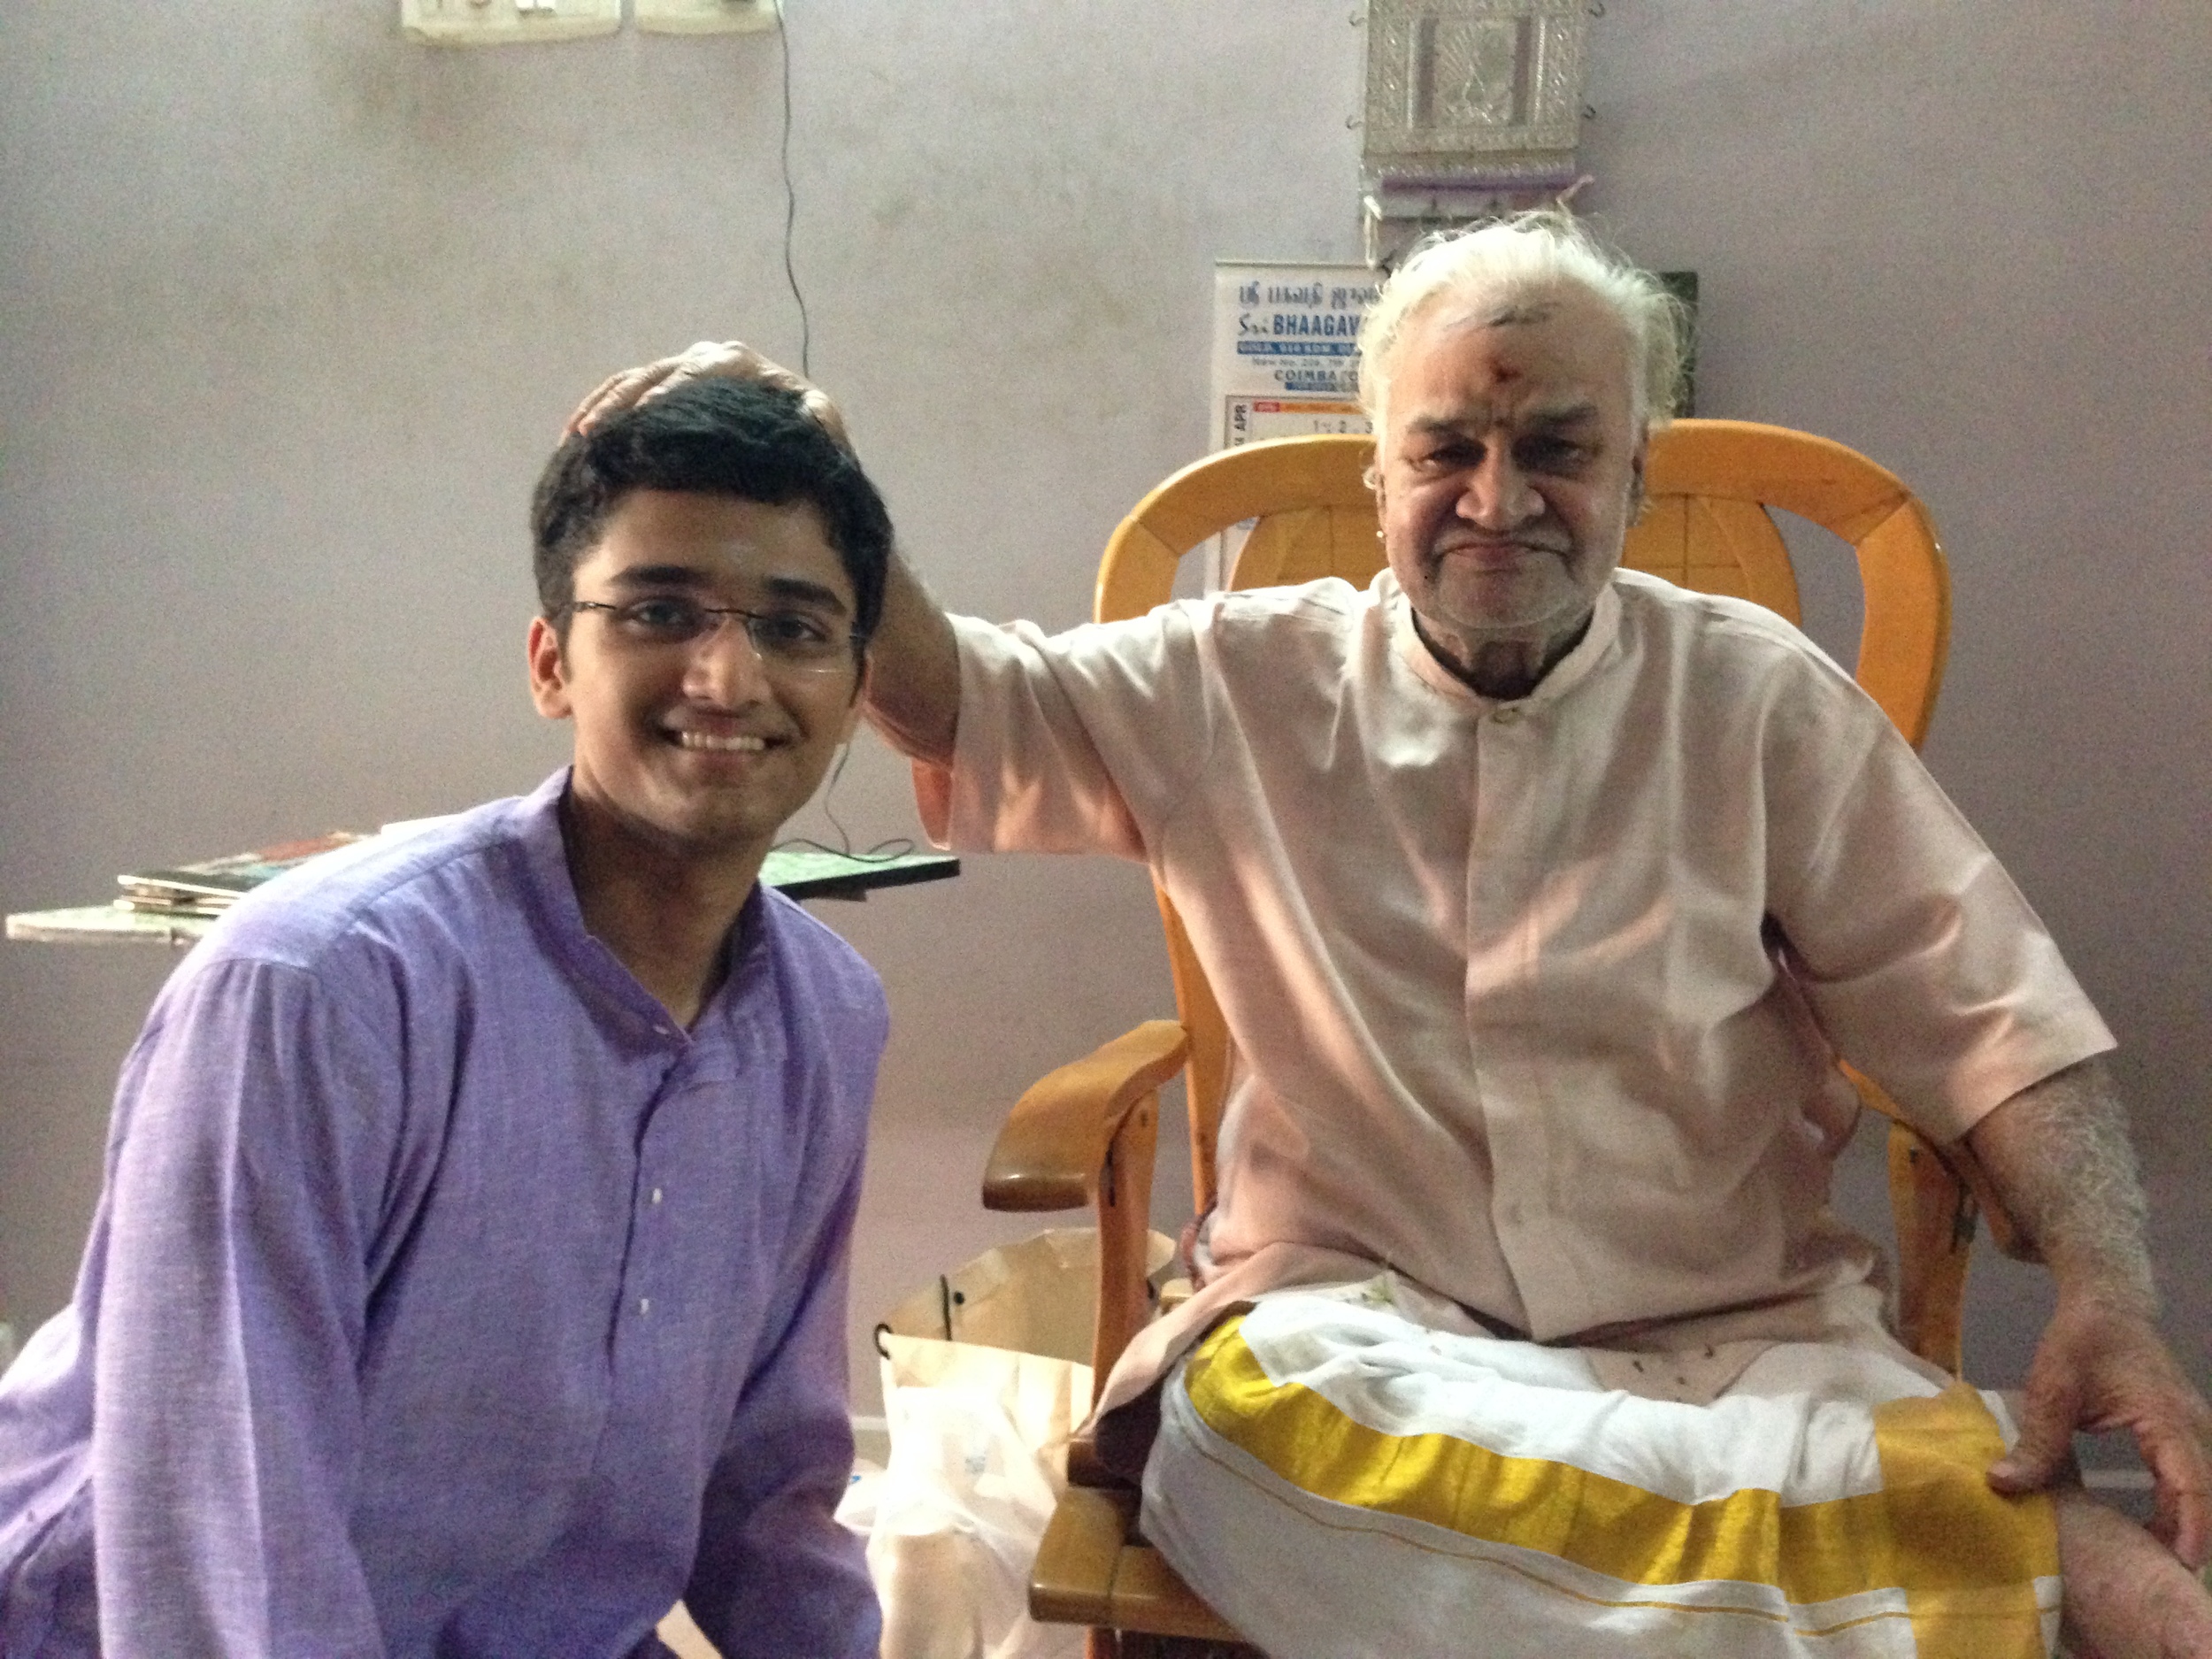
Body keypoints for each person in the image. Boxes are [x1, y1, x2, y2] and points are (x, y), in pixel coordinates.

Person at [580, 216, 2212, 1657]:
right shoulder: (1238, 678)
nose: (1498, 502)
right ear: (1379, 479)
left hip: (1735, 1350)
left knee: (1264, 1491)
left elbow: (1989, 1013)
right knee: (1237, 1426)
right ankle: (1953, 1569)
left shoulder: (1760, 698)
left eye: (1558, 449)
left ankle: (1772, 1568)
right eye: (1446, 452)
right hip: (1368, 1346)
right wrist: (824, 487)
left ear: (1637, 471)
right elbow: (958, 694)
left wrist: (2107, 1288)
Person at [0, 379, 894, 1657]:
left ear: (857, 689)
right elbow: (226, 1552)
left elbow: (770, 1490)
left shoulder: (824, 1016)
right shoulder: (320, 990)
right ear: (551, 663)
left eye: (795, 628)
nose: (727, 673)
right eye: (658, 611)